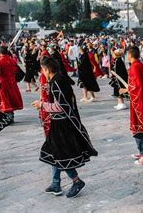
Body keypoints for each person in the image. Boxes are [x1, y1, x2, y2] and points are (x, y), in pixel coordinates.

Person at [32, 57, 97, 198]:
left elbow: (61, 106)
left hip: (62, 125)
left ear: (48, 70)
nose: (42, 72)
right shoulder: (60, 79)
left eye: (43, 70)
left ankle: (76, 181)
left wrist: (42, 105)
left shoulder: (57, 83)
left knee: (61, 155)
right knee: (53, 153)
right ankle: (56, 183)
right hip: (59, 123)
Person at [0, 46, 23, 123]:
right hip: (12, 83)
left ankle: (8, 118)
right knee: (11, 99)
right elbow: (16, 70)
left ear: (0, 52)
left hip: (4, 83)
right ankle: (11, 116)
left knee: (5, 100)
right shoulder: (12, 60)